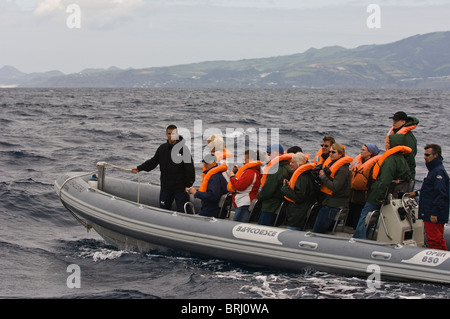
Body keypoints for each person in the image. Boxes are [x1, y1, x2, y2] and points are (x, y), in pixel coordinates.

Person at [353, 134, 412, 239]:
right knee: (373, 217)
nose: (387, 144)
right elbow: (408, 176)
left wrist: (379, 196)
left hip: (378, 194)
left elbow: (384, 180)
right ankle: (367, 236)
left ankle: (359, 237)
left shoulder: (390, 160)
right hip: (391, 193)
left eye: (389, 143)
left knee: (365, 215)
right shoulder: (402, 159)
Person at [131, 125, 195, 213]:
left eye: (173, 133)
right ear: (166, 134)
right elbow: (153, 162)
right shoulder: (162, 148)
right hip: (166, 187)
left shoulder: (184, 150)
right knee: (164, 212)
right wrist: (139, 168)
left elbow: (190, 169)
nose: (171, 135)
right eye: (169, 133)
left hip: (180, 189)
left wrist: (189, 185)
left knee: (184, 212)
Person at [408, 144, 449, 250]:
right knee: (437, 239)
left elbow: (441, 193)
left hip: (433, 212)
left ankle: (439, 262)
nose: (424, 157)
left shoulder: (438, 172)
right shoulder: (434, 170)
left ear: (436, 155)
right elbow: (430, 189)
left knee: (434, 239)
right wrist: (416, 194)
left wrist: (434, 213)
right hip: (430, 210)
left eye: (427, 155)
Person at [312, 143, 352, 233]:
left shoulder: (342, 169)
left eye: (333, 152)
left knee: (317, 231)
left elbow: (335, 187)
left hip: (334, 205)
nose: (330, 154)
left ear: (340, 154)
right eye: (330, 152)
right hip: (329, 202)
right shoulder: (334, 165)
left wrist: (323, 177)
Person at [257, 144, 293, 226]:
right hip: (281, 205)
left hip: (270, 206)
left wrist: (259, 196)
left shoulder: (276, 169)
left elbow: (268, 190)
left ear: (276, 153)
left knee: (262, 229)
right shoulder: (287, 166)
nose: (268, 155)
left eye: (269, 152)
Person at [347, 143, 381, 228]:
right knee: (350, 216)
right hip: (353, 194)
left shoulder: (374, 164)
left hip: (363, 195)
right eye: (361, 149)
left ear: (370, 153)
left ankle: (356, 232)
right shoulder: (359, 161)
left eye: (363, 150)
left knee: (358, 216)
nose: (361, 151)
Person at [281, 152, 317, 230]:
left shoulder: (303, 177)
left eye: (293, 162)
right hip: (299, 213)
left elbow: (299, 196)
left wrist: (285, 188)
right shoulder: (307, 175)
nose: (290, 164)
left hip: (297, 214)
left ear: (299, 164)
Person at [228, 150, 262, 222]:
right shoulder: (254, 171)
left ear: (251, 160)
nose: (243, 162)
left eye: (245, 159)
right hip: (245, 202)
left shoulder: (250, 172)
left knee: (237, 226)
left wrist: (232, 177)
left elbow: (239, 186)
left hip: (244, 204)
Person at [386, 111, 419, 179]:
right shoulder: (395, 133)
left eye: (396, 121)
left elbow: (410, 157)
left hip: (404, 173)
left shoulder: (407, 137)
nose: (394, 122)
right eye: (393, 120)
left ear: (403, 122)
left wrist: (409, 176)